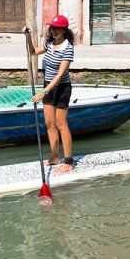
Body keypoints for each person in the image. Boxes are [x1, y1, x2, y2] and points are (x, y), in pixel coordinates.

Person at [30, 15, 75, 174]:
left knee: (61, 124)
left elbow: (60, 75)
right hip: (48, 86)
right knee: (49, 123)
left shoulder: (68, 48)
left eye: (58, 28)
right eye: (53, 28)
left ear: (64, 30)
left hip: (61, 88)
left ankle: (68, 161)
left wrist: (44, 92)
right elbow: (33, 52)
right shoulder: (49, 44)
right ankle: (55, 157)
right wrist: (28, 36)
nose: (54, 30)